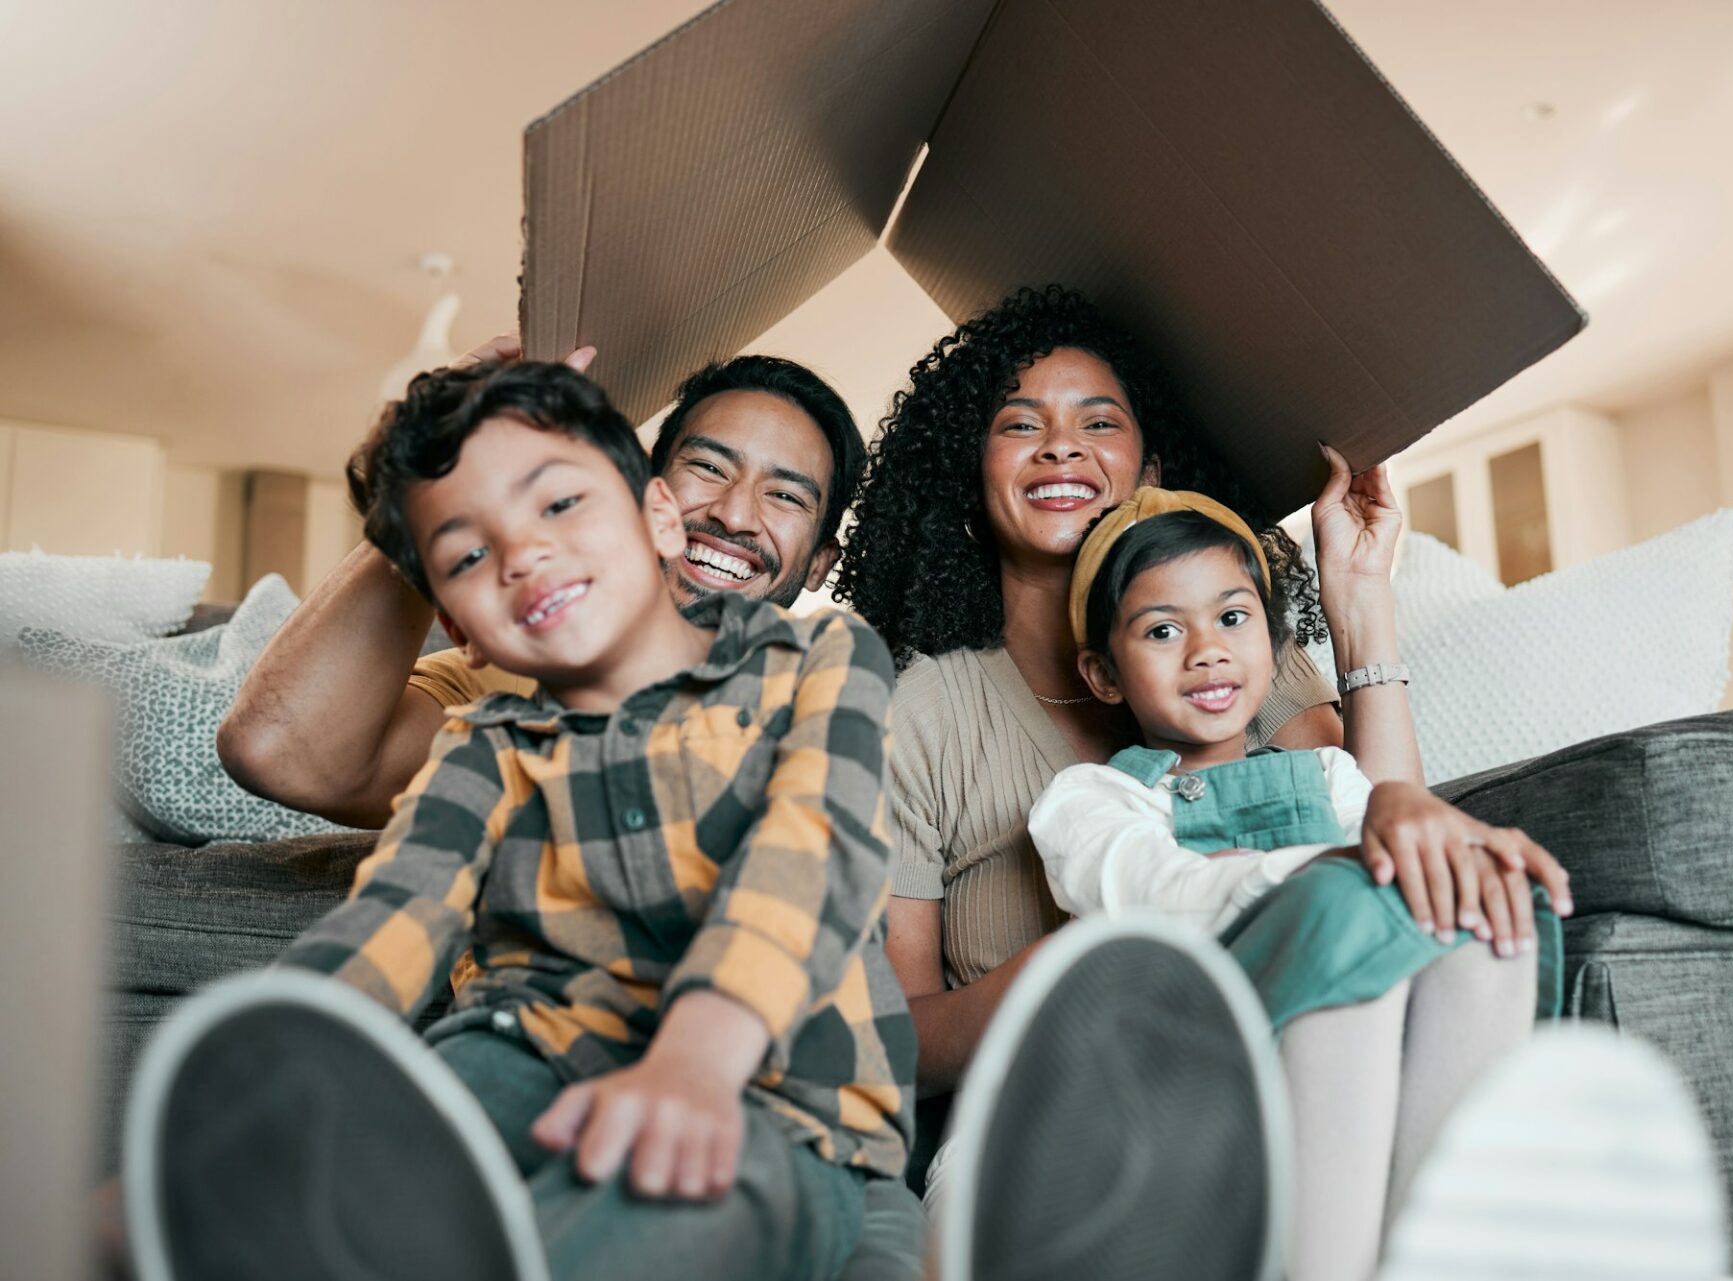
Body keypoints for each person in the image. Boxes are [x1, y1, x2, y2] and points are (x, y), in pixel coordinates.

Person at [125, 359, 912, 1280]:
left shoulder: (820, 659)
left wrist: (698, 1057)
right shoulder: (486, 729)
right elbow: (386, 922)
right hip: (522, 1049)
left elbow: (804, 856)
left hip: (768, 1090)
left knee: (658, 1209)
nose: (736, 514)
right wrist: (232, 1127)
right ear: (454, 619)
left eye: (784, 493)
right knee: (371, 1156)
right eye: (468, 556)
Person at [834, 287, 1554, 1151]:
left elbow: (1382, 847)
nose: (1062, 442)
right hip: (1064, 1109)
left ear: (1149, 473)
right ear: (969, 469)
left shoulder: (1231, 652)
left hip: (1279, 1054)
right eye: (1021, 425)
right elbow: (892, 1041)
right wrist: (1065, 975)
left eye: (1099, 422)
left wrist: (1361, 599)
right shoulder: (919, 710)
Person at [1012, 487, 1567, 1276]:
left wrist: (1452, 855)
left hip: (1351, 1050)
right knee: (1354, 906)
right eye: (1164, 630)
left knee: (1480, 911)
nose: (1206, 649)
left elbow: (1409, 876)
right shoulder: (1093, 800)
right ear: (1103, 674)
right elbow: (1161, 898)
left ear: (1274, 646)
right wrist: (1344, 863)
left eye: (1233, 618)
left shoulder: (1333, 776)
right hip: (1183, 1065)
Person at [218, 337, 865, 831]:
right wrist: (441, 469)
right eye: (707, 466)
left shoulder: (844, 713)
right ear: (645, 492)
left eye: (784, 495)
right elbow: (275, 752)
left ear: (819, 564)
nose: (734, 513)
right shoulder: (501, 685)